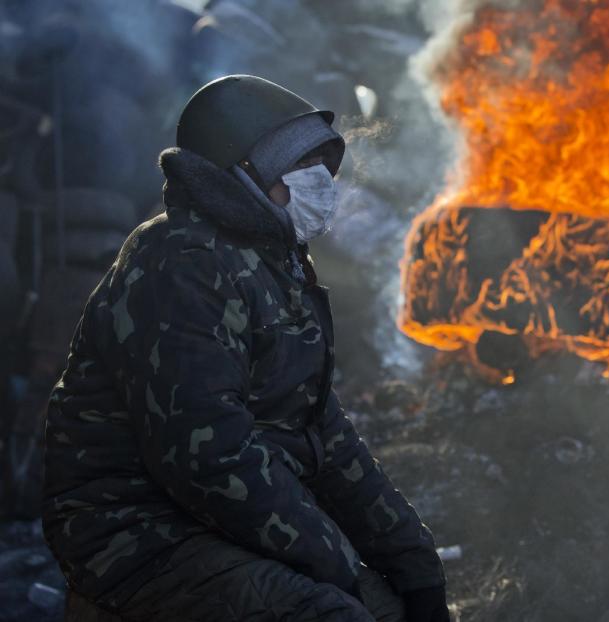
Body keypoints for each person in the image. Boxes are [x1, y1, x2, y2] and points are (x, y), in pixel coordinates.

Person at [42, 75, 449, 622]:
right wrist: (341, 566)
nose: (320, 186)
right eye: (296, 172)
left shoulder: (274, 261)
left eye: (321, 170)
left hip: (226, 519)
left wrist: (412, 561)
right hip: (136, 530)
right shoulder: (181, 264)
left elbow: (322, 431)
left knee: (402, 607)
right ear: (240, 180)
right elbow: (207, 455)